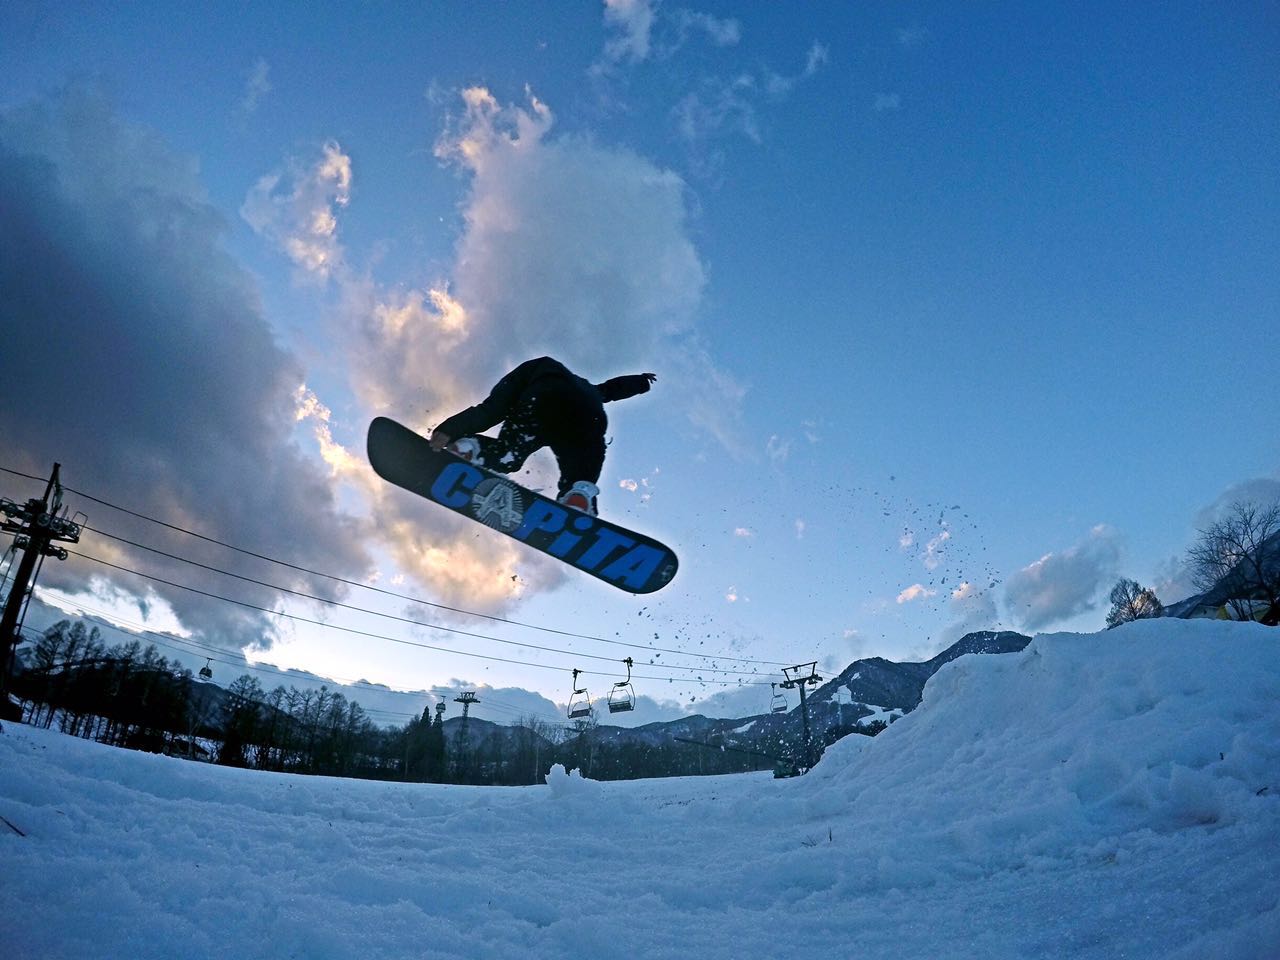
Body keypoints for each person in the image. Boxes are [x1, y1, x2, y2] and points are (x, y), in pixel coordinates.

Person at [429, 357, 656, 516]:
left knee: (507, 455)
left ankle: (471, 448)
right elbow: (611, 389)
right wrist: (641, 381)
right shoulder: (587, 389)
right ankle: (578, 496)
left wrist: (451, 431)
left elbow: (491, 409)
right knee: (582, 468)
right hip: (588, 413)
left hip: (541, 401)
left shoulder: (537, 372)